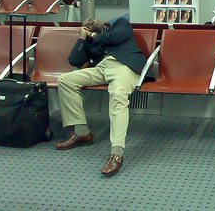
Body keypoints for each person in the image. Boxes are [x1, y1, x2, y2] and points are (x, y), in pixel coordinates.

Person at [55, 17, 147, 177]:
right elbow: (74, 60)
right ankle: (82, 131)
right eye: (86, 24)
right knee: (65, 80)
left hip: (125, 66)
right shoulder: (90, 41)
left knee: (118, 95)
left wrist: (92, 36)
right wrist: (81, 38)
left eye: (92, 20)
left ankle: (116, 153)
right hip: (101, 69)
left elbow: (116, 37)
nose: (90, 22)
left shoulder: (119, 25)